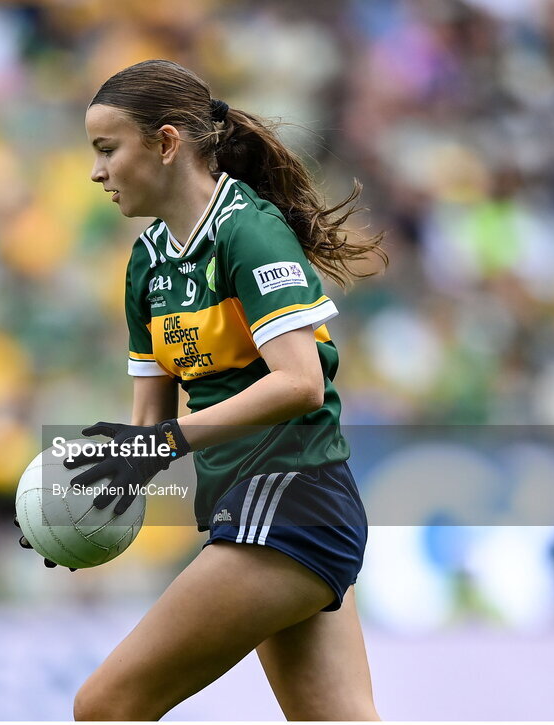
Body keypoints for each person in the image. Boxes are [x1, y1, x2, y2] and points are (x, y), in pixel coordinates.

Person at [22, 58, 387, 720]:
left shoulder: (247, 230)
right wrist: (71, 506)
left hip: (291, 498)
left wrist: (159, 444)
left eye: (107, 150)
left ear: (165, 144)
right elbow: (146, 433)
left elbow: (300, 383)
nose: (95, 172)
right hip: (246, 505)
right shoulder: (146, 263)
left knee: (104, 705)